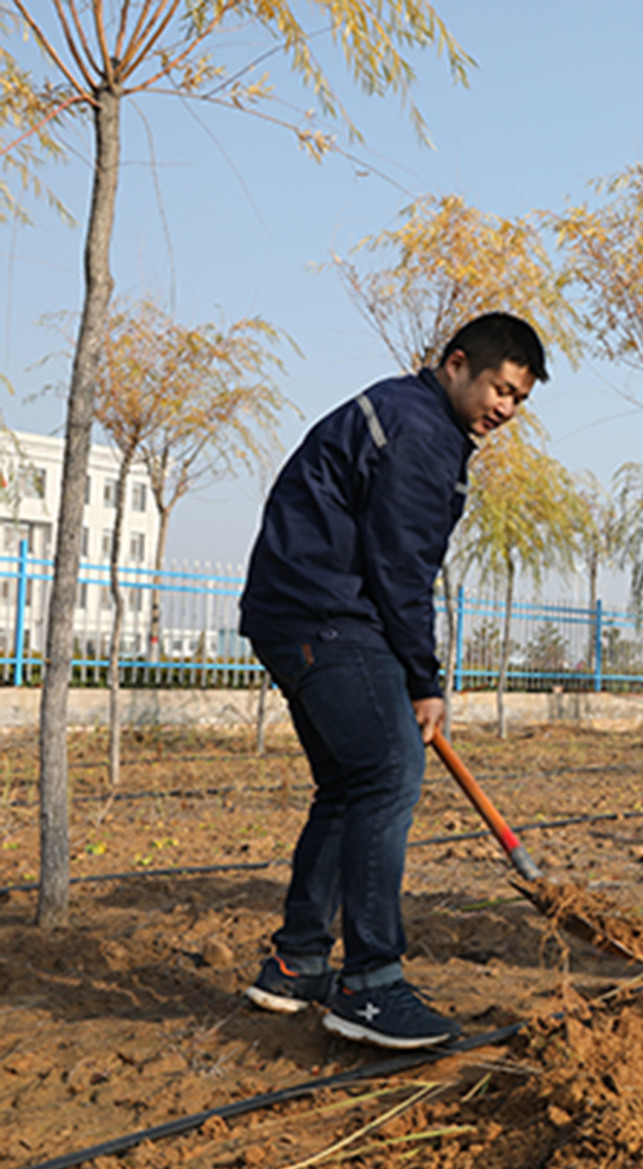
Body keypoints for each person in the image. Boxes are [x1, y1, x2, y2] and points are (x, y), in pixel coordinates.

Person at [239, 313, 547, 1049]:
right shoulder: (420, 433)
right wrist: (423, 678)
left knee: (349, 787)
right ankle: (370, 986)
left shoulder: (400, 414)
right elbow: (402, 568)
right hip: (327, 615)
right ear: (457, 365)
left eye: (519, 400)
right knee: (386, 774)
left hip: (296, 612)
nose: (504, 409)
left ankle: (298, 963)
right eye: (499, 389)